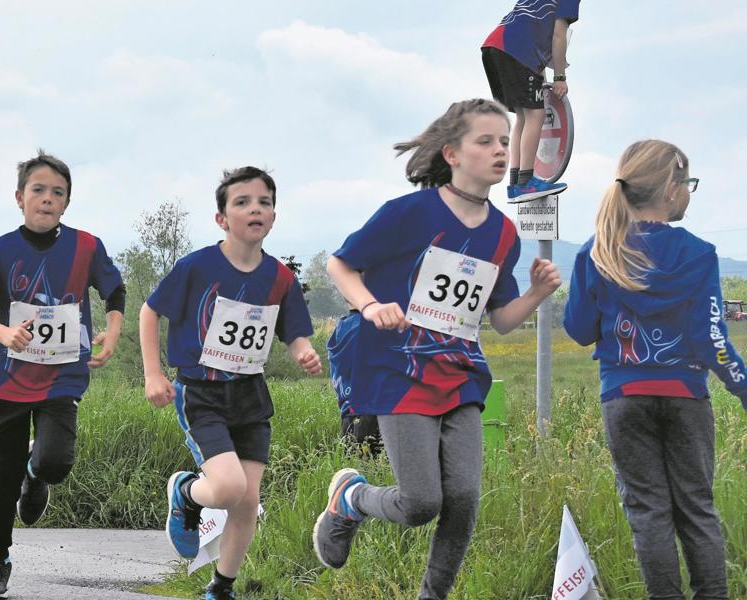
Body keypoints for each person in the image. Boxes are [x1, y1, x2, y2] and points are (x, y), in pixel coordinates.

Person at [312, 99, 561, 600]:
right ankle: (351, 498)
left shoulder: (503, 232)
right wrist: (369, 306)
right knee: (421, 502)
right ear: (451, 152)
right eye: (486, 141)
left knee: (465, 498)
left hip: (460, 372)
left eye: (506, 142)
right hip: (396, 370)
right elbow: (341, 265)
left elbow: (501, 320)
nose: (500, 150)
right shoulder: (408, 213)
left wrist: (535, 294)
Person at [564, 140, 746, 600]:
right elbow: (711, 340)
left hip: (624, 399)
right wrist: (743, 388)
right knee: (696, 509)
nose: (689, 193)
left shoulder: (598, 251)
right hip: (685, 397)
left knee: (648, 512)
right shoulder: (699, 255)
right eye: (688, 184)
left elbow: (581, 329)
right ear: (670, 188)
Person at [139, 166, 322, 600]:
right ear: (222, 219)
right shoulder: (197, 266)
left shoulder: (280, 277)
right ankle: (186, 492)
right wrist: (153, 373)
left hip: (250, 394)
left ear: (274, 216)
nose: (254, 208)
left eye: (264, 202)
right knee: (227, 488)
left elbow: (292, 330)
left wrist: (303, 352)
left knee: (247, 500)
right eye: (242, 202)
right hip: (201, 392)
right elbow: (150, 311)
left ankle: (221, 586)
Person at [0, 150, 126, 600]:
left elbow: (115, 290)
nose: (47, 199)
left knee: (55, 462)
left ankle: (39, 473)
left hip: (63, 375)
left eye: (57, 193)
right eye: (38, 190)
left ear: (66, 202)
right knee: (0, 477)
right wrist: (4, 333)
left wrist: (111, 334)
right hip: (9, 379)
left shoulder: (87, 246)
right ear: (19, 197)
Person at [482, 0, 579, 203]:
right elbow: (558, 35)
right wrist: (560, 77)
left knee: (523, 116)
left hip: (495, 45)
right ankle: (526, 183)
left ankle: (516, 182)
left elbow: (532, 24)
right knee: (536, 114)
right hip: (517, 50)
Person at [328, 307, 382, 456]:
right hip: (374, 415)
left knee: (356, 471)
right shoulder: (373, 325)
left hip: (347, 416)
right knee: (379, 474)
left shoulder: (341, 327)